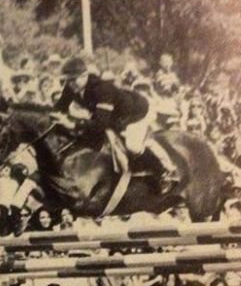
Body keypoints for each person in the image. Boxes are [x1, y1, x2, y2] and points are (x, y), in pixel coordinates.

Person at [53, 57, 180, 193]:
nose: (70, 84)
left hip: (136, 113)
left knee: (132, 146)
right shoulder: (71, 87)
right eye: (67, 80)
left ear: (85, 75)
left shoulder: (102, 89)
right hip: (113, 117)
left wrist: (73, 126)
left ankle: (163, 171)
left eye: (73, 79)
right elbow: (57, 110)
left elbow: (100, 125)